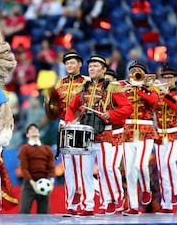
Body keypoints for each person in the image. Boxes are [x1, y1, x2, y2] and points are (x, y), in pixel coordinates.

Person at [65, 55, 133, 216]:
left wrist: (110, 115)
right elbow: (70, 108)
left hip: (105, 133)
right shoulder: (83, 88)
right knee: (85, 172)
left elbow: (127, 108)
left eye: (96, 66)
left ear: (103, 70)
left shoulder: (112, 87)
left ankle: (111, 200)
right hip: (85, 135)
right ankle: (88, 205)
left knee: (106, 169)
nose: (92, 69)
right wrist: (69, 121)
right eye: (90, 66)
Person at [50, 50, 87, 217]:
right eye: (67, 63)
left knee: (81, 166)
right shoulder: (59, 84)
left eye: (73, 62)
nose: (70, 65)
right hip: (65, 126)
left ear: (80, 64)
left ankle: (84, 202)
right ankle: (71, 204)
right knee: (68, 167)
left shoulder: (87, 82)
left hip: (81, 125)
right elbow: (54, 106)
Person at [121, 61, 159, 216]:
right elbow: (115, 105)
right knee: (129, 171)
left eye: (138, 71)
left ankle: (145, 189)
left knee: (140, 165)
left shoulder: (151, 88)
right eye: (133, 71)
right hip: (128, 131)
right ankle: (134, 206)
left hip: (146, 130)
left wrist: (141, 88)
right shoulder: (124, 88)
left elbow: (154, 101)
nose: (135, 73)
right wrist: (123, 91)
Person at [154, 63, 177, 214]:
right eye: (164, 78)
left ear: (175, 79)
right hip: (160, 135)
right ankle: (166, 204)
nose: (167, 80)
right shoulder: (157, 94)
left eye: (170, 78)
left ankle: (174, 193)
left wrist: (165, 93)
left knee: (169, 161)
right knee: (162, 170)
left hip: (176, 134)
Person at [18, 123, 56, 214]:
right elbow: (24, 168)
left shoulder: (47, 149)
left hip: (44, 183)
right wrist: (33, 183)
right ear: (27, 135)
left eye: (36, 128)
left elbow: (51, 167)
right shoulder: (24, 149)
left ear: (39, 133)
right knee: (24, 212)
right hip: (29, 185)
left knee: (44, 214)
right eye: (30, 129)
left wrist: (51, 181)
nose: (34, 130)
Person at [103, 68, 125, 213]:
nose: (106, 83)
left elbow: (124, 112)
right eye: (105, 81)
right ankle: (107, 200)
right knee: (102, 169)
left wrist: (110, 115)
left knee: (112, 167)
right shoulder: (98, 95)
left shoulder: (119, 92)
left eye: (109, 80)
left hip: (117, 133)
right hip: (103, 135)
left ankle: (119, 197)